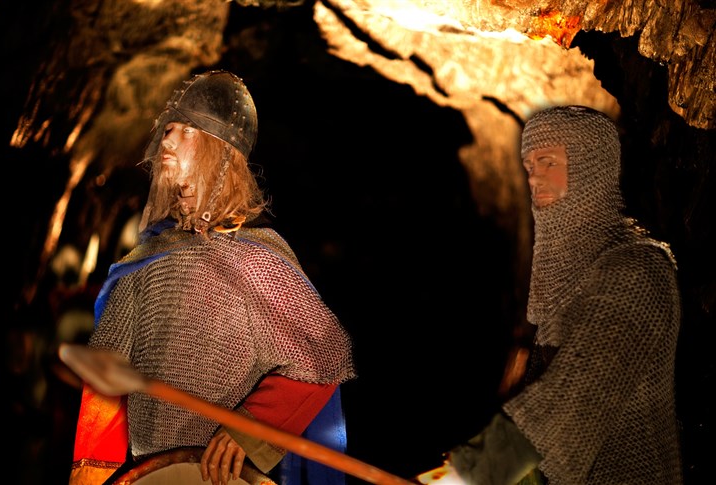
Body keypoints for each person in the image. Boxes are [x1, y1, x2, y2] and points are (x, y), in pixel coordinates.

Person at [68, 70, 357, 485]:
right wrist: (92, 479)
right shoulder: (145, 263)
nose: (167, 142)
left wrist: (248, 430)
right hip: (148, 474)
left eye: (187, 130)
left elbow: (324, 357)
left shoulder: (256, 262)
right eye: (168, 128)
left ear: (221, 151)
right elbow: (105, 389)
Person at [416, 105, 683, 484]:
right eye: (529, 167)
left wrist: (473, 473)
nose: (535, 179)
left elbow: (576, 397)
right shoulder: (575, 281)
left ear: (592, 165)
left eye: (548, 162)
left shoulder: (636, 272)